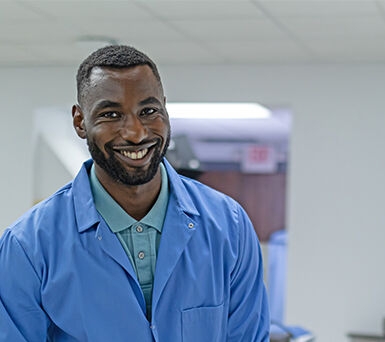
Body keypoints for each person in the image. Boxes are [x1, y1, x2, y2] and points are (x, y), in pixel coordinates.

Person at [0, 45, 269, 341]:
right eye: (111, 114)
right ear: (80, 121)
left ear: (165, 110)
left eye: (149, 111)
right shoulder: (29, 246)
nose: (136, 132)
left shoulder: (229, 227)